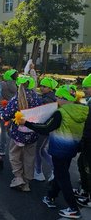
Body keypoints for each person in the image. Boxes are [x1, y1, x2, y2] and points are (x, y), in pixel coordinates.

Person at [19, 85, 88, 219]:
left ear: (63, 98)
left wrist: (25, 123)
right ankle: (51, 196)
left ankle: (73, 208)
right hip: (72, 147)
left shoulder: (60, 113)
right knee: (60, 172)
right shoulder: (83, 110)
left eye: (58, 97)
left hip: (59, 148)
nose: (56, 99)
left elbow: (45, 128)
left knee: (63, 177)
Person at [0, 75, 41, 192]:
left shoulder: (16, 99)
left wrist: (1, 111)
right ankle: (27, 182)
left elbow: (6, 115)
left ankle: (18, 178)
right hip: (32, 133)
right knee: (29, 158)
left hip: (18, 133)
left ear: (18, 84)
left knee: (14, 155)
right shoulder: (37, 98)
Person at [33, 77, 58, 182]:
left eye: (45, 86)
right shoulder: (52, 97)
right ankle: (55, 169)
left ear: (50, 88)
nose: (42, 88)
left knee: (37, 150)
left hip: (43, 128)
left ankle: (38, 172)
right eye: (41, 86)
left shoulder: (46, 100)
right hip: (47, 128)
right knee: (42, 149)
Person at [73, 74, 91, 208]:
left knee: (87, 167)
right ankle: (85, 190)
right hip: (86, 139)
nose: (84, 90)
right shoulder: (89, 100)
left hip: (89, 140)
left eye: (87, 88)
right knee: (81, 164)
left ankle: (89, 197)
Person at [0, 69, 18, 156]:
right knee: (12, 129)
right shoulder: (18, 85)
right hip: (14, 110)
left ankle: (2, 149)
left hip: (3, 109)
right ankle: (14, 147)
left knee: (3, 130)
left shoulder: (2, 84)